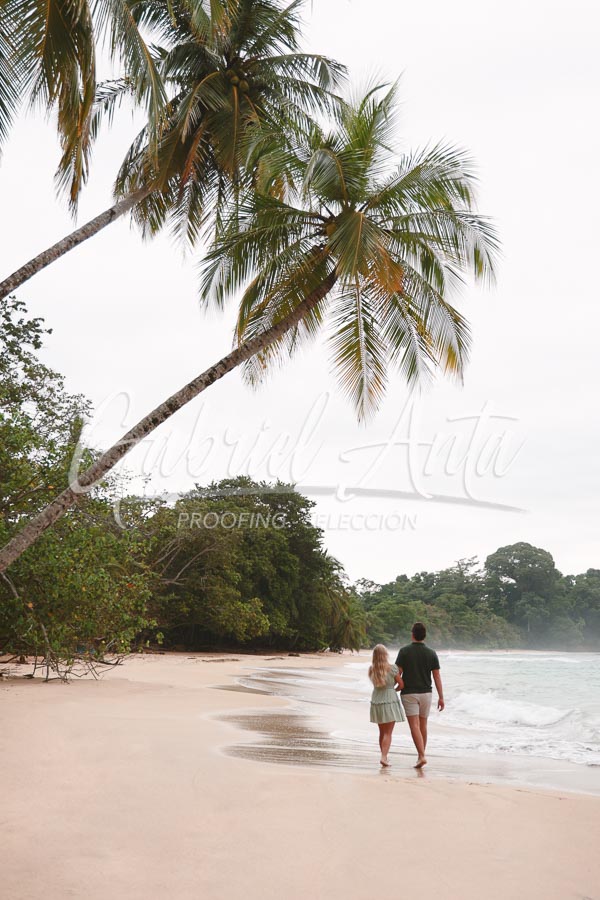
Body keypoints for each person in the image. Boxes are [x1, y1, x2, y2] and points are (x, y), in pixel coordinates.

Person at [394, 623, 444, 769]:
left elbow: (397, 673)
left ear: (412, 634)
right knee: (423, 725)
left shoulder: (404, 651)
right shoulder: (431, 653)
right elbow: (437, 676)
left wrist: (394, 687)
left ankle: (421, 756)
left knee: (414, 726)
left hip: (409, 693)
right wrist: (441, 697)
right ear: (424, 635)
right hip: (426, 694)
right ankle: (421, 755)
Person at [368, 644, 406, 767]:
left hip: (377, 699)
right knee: (388, 733)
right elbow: (401, 685)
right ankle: (384, 757)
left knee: (382, 732)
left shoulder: (371, 669)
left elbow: (376, 684)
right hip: (390, 699)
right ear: (385, 655)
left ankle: (383, 756)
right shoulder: (393, 668)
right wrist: (393, 689)